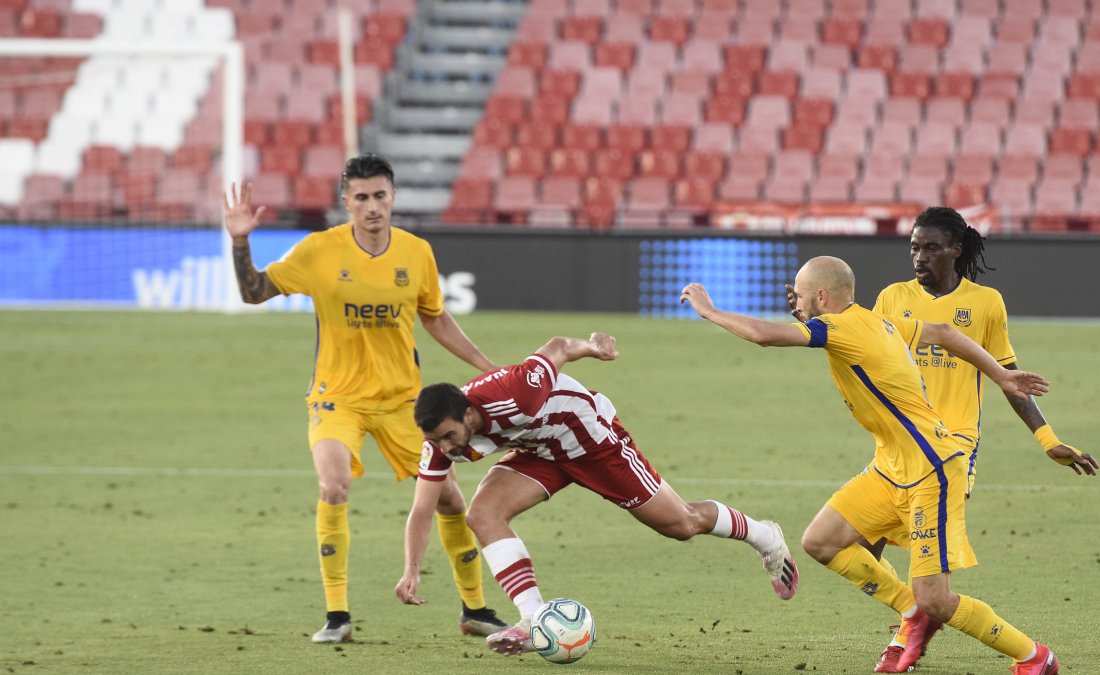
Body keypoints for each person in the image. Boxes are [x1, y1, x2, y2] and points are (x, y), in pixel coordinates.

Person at [682, 256, 1081, 675]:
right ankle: (912, 613)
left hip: (932, 469)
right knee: (821, 540)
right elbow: (944, 333)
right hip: (891, 467)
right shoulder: (881, 321)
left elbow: (764, 335)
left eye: (799, 294)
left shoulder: (839, 327)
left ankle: (1033, 656)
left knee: (937, 599)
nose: (793, 301)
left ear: (822, 296)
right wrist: (1000, 375)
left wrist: (709, 311)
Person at [221, 154, 509, 643]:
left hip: (403, 402)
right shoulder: (318, 251)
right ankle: (337, 616)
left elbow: (435, 318)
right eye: (361, 198)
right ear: (345, 203)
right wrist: (240, 240)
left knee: (450, 500)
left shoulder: (416, 253)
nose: (372, 206)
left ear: (393, 197)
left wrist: (485, 366)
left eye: (380, 196)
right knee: (333, 486)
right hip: (338, 397)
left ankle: (475, 609)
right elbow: (253, 292)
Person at [396, 332, 798, 656]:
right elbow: (421, 509)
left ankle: (766, 537)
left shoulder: (515, 393)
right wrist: (412, 568)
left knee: (681, 524)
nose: (446, 448)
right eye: (437, 440)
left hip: (591, 440)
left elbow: (556, 347)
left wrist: (592, 346)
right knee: (482, 515)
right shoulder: (438, 443)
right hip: (540, 452)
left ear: (467, 414)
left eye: (449, 436)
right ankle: (533, 619)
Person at [856, 206, 1100, 672]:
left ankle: (924, 631)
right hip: (898, 448)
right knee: (859, 550)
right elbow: (857, 345)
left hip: (950, 451)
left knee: (925, 578)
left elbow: (1011, 380)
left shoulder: (985, 304)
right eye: (913, 247)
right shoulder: (891, 298)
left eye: (930, 247)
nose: (919, 257)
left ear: (955, 249)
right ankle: (915, 621)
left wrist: (1048, 439)